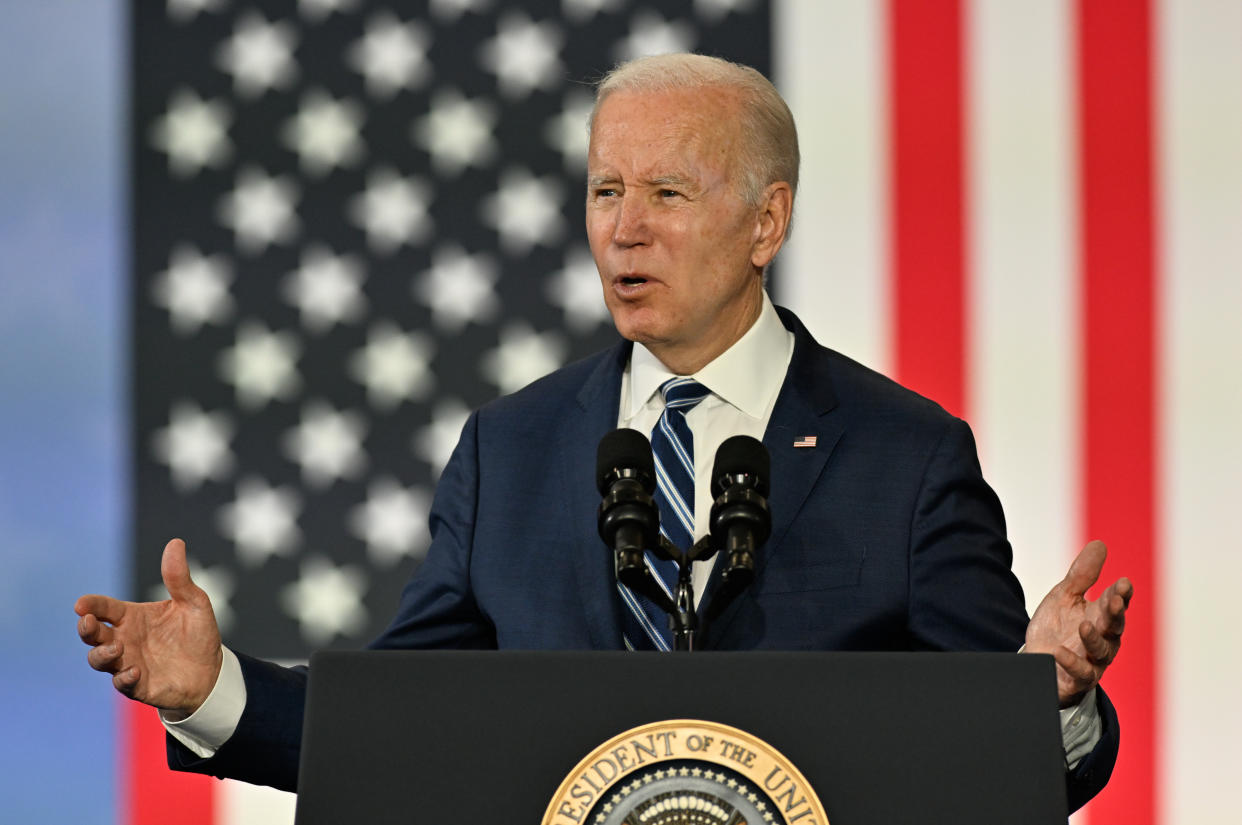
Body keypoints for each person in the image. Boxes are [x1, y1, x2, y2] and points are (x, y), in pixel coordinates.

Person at [76, 54, 1132, 810]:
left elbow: (1023, 763)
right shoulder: (512, 452)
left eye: (667, 192)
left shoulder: (905, 459)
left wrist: (1052, 702)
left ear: (767, 222)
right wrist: (215, 692)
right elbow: (392, 730)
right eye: (605, 191)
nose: (624, 229)